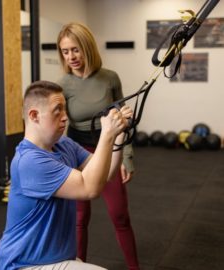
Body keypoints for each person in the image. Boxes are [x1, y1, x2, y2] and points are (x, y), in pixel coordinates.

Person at [0, 80, 133, 270]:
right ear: (34, 115)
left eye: (65, 109)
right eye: (57, 110)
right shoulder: (29, 161)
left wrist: (118, 134)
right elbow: (90, 188)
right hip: (25, 265)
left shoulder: (64, 144)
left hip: (57, 260)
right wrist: (107, 134)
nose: (65, 117)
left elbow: (107, 172)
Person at [57, 22, 140, 270]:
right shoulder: (63, 84)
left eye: (76, 49)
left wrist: (127, 157)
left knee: (120, 216)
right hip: (77, 153)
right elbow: (59, 126)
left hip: (108, 150)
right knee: (80, 218)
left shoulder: (110, 78)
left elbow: (122, 121)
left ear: (88, 48)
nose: (71, 57)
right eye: (65, 51)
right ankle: (78, 266)